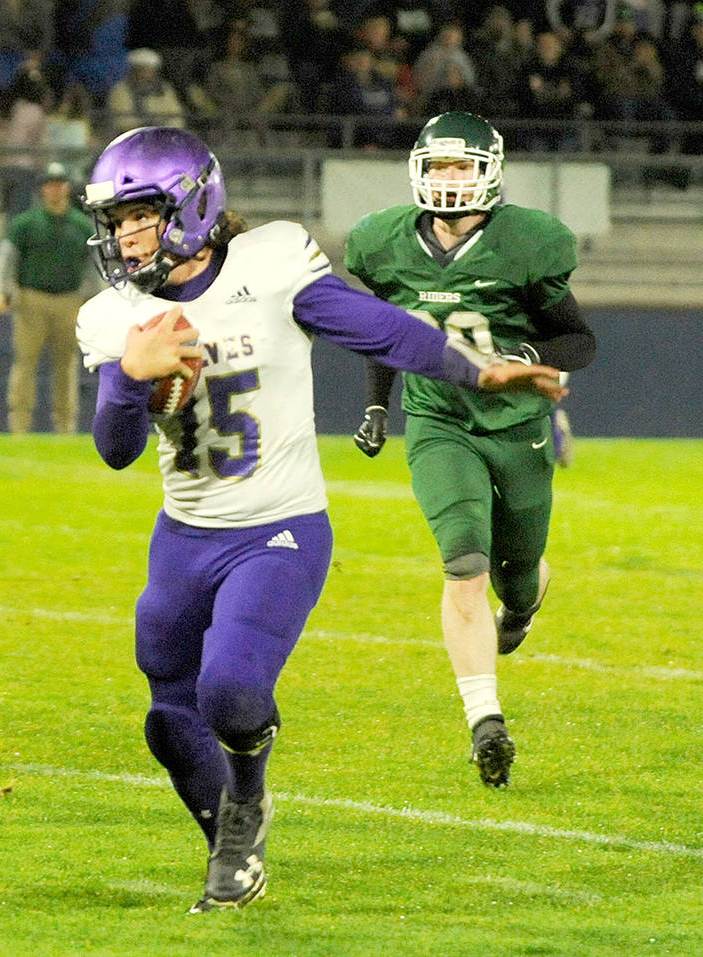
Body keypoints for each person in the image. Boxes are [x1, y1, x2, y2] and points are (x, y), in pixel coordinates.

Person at [74, 125, 566, 913]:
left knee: (233, 691)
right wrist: (131, 379)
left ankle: (245, 801)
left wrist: (475, 368)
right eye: (117, 220)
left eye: (142, 215)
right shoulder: (113, 315)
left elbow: (377, 326)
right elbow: (113, 448)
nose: (126, 235)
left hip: (280, 527)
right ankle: (234, 837)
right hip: (184, 535)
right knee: (169, 720)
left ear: (194, 206)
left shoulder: (270, 263)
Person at [344, 111, 596, 789]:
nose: (449, 180)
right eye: (439, 166)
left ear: (490, 171)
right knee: (464, 563)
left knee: (516, 577)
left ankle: (524, 602)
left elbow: (580, 341)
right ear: (418, 171)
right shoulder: (384, 243)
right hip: (439, 420)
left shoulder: (529, 243)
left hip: (518, 424)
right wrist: (377, 405)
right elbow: (385, 333)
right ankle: (486, 720)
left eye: (462, 167)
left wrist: (528, 354)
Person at [0, 161, 92, 434]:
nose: (55, 190)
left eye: (59, 184)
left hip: (69, 300)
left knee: (66, 367)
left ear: (66, 188)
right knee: (25, 363)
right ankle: (19, 426)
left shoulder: (81, 225)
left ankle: (66, 427)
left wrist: (99, 298)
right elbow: (6, 258)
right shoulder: (26, 224)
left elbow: (93, 265)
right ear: (43, 189)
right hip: (32, 299)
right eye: (50, 185)